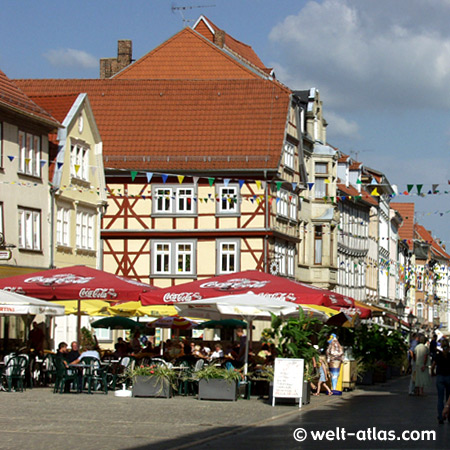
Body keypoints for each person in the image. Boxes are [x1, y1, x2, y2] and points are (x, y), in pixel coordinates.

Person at [431, 338, 450, 424]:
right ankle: (449, 415)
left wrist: (432, 373)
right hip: (449, 377)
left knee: (440, 398)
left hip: (440, 377)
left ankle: (441, 417)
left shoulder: (438, 355)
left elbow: (433, 366)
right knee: (448, 398)